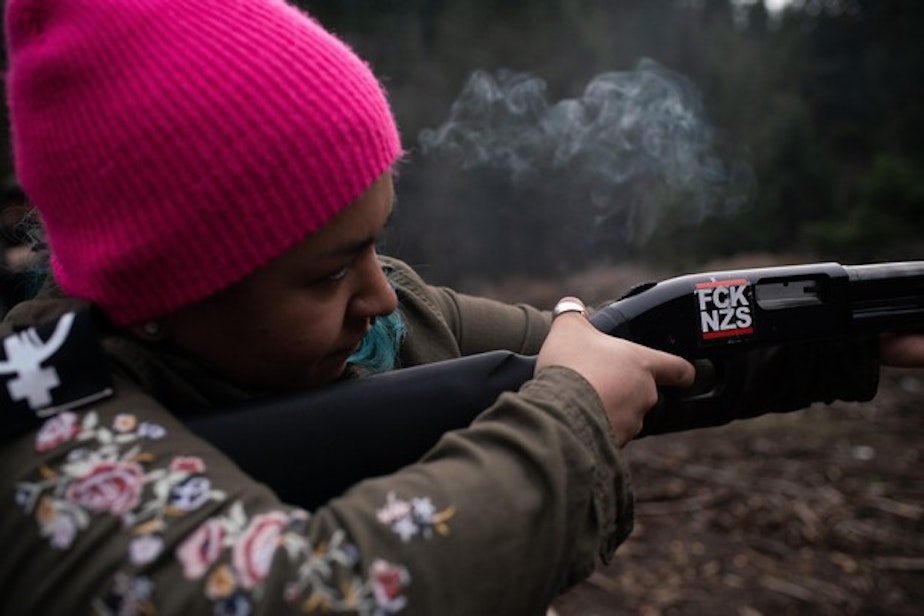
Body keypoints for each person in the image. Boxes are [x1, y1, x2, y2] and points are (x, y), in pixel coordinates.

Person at [0, 0, 921, 614]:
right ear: (161, 296)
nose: (380, 293)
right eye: (328, 273)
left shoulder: (377, 322)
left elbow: (631, 351)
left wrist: (851, 335)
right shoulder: (44, 450)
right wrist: (570, 423)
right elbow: (310, 593)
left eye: (374, 244)